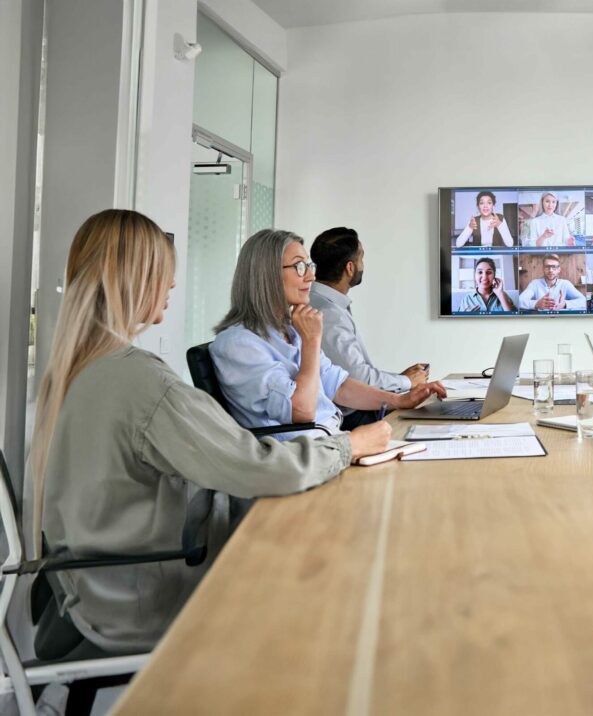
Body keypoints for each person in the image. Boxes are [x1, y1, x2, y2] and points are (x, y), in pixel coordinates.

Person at [27, 209, 394, 656]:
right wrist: (350, 445)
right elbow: (257, 467)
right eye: (165, 273)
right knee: (334, 576)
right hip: (144, 597)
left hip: (97, 588)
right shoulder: (141, 382)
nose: (173, 285)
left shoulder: (76, 371)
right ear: (136, 280)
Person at [211, 230, 445, 439]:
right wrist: (312, 342)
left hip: (332, 444)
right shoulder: (238, 344)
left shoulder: (289, 331)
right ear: (267, 275)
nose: (311, 277)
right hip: (302, 459)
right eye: (299, 267)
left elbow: (339, 386)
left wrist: (400, 400)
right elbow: (302, 411)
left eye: (309, 266)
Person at [310, 227, 430, 428]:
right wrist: (406, 382)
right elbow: (357, 377)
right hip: (350, 419)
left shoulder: (325, 303)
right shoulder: (328, 314)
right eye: (361, 258)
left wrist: (401, 380)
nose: (362, 265)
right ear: (349, 268)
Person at [518, 254, 587, 311]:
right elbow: (519, 301)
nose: (550, 270)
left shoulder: (565, 284)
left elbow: (583, 300)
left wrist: (565, 304)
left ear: (559, 270)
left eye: (554, 267)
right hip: (541, 321)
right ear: (543, 269)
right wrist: (536, 304)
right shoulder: (534, 284)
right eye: (547, 267)